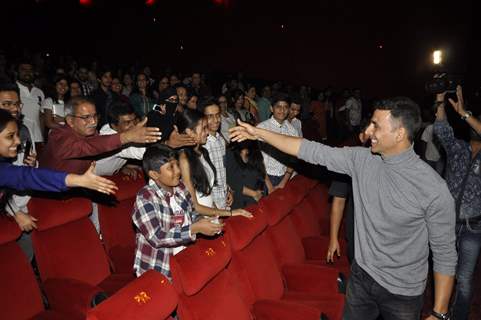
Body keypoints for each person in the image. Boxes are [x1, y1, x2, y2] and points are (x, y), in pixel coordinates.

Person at [230, 96, 457, 320]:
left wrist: (439, 312)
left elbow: (445, 253)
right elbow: (309, 150)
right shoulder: (362, 160)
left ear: (400, 134)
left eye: (376, 126)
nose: (368, 130)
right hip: (361, 278)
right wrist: (259, 133)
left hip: (403, 292)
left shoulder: (433, 188)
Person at [132, 144, 223, 279]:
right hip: (158, 268)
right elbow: (157, 237)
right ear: (154, 174)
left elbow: (191, 212)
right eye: (171, 168)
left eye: (177, 165)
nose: (178, 171)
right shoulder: (145, 198)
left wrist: (204, 221)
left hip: (183, 259)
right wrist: (193, 229)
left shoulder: (180, 187)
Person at [434, 86, 481, 320]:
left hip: (474, 228)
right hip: (447, 223)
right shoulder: (458, 149)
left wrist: (464, 113)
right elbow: (441, 129)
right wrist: (440, 101)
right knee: (443, 271)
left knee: (464, 279)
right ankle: (440, 312)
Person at [0, 109, 117, 196]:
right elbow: (26, 177)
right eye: (10, 136)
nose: (18, 141)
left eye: (17, 135)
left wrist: (78, 180)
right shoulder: (59, 135)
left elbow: (27, 176)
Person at [39, 96, 162, 174]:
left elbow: (101, 152)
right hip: (50, 195)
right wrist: (128, 136)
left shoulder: (94, 134)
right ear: (70, 121)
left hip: (79, 190)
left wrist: (120, 168)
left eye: (94, 116)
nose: (93, 122)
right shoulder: (58, 135)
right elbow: (86, 147)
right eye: (86, 117)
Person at [176, 109, 252, 219]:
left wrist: (218, 214)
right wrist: (230, 213)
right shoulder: (184, 159)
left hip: (212, 213)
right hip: (199, 218)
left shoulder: (203, 152)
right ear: (189, 132)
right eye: (203, 129)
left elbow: (209, 192)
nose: (207, 132)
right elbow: (195, 205)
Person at [256, 97, 299, 190]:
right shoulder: (262, 128)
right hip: (265, 177)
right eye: (278, 106)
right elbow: (258, 159)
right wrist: (269, 185)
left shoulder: (292, 131)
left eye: (285, 107)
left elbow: (293, 159)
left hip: (285, 177)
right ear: (271, 108)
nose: (282, 110)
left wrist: (284, 182)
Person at [95, 100, 145, 177]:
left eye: (134, 120)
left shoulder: (113, 128)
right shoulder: (110, 140)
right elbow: (142, 153)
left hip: (111, 174)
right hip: (92, 180)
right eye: (127, 123)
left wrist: (122, 167)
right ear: (114, 126)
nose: (133, 125)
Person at [200, 99, 233, 210]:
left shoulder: (221, 140)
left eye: (217, 115)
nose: (215, 120)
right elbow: (201, 179)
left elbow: (222, 169)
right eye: (210, 116)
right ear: (203, 119)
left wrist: (228, 189)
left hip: (224, 199)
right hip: (210, 203)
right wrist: (211, 203)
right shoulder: (201, 144)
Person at [226, 140, 267, 209]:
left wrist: (259, 193)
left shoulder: (256, 152)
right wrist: (254, 194)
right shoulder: (230, 153)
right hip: (238, 202)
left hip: (256, 200)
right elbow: (231, 181)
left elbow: (262, 174)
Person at [16, 60, 45, 145]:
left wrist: (42, 137)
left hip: (37, 138)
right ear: (17, 72)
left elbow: (41, 116)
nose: (27, 72)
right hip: (19, 138)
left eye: (30, 70)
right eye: (23, 69)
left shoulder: (39, 92)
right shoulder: (12, 89)